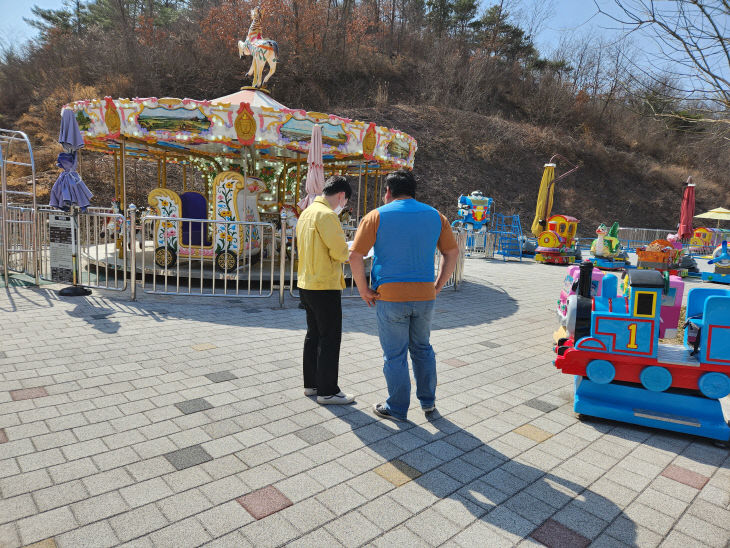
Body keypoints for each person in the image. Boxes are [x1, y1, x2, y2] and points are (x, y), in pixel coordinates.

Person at [349, 170, 459, 421]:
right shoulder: (436, 216)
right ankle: (428, 403)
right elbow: (451, 252)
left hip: (390, 297)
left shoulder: (376, 216)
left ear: (388, 191)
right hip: (425, 295)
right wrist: (439, 284)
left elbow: (355, 255)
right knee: (422, 348)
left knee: (395, 355)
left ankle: (397, 408)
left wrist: (363, 289)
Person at [296, 175, 355, 405]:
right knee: (330, 338)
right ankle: (328, 391)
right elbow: (340, 252)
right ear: (341, 195)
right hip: (325, 285)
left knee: (313, 335)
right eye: (345, 201)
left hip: (306, 282)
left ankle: (311, 384)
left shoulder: (307, 213)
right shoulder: (327, 215)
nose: (344, 206)